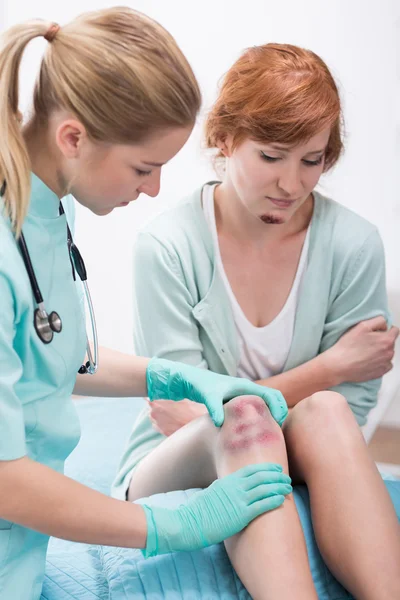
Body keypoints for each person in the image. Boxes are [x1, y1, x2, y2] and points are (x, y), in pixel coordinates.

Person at [0, 11, 295, 600]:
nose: (156, 188)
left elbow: (50, 356)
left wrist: (176, 377)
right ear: (74, 138)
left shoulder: (48, 207)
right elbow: (5, 481)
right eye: (144, 166)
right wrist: (171, 526)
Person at [112, 44, 400, 599]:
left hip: (294, 440)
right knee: (247, 420)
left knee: (329, 409)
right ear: (225, 141)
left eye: (311, 160)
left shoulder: (353, 244)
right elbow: (186, 415)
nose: (291, 184)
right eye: (271, 156)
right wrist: (330, 366)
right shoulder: (167, 247)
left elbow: (354, 407)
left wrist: (329, 388)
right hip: (173, 462)